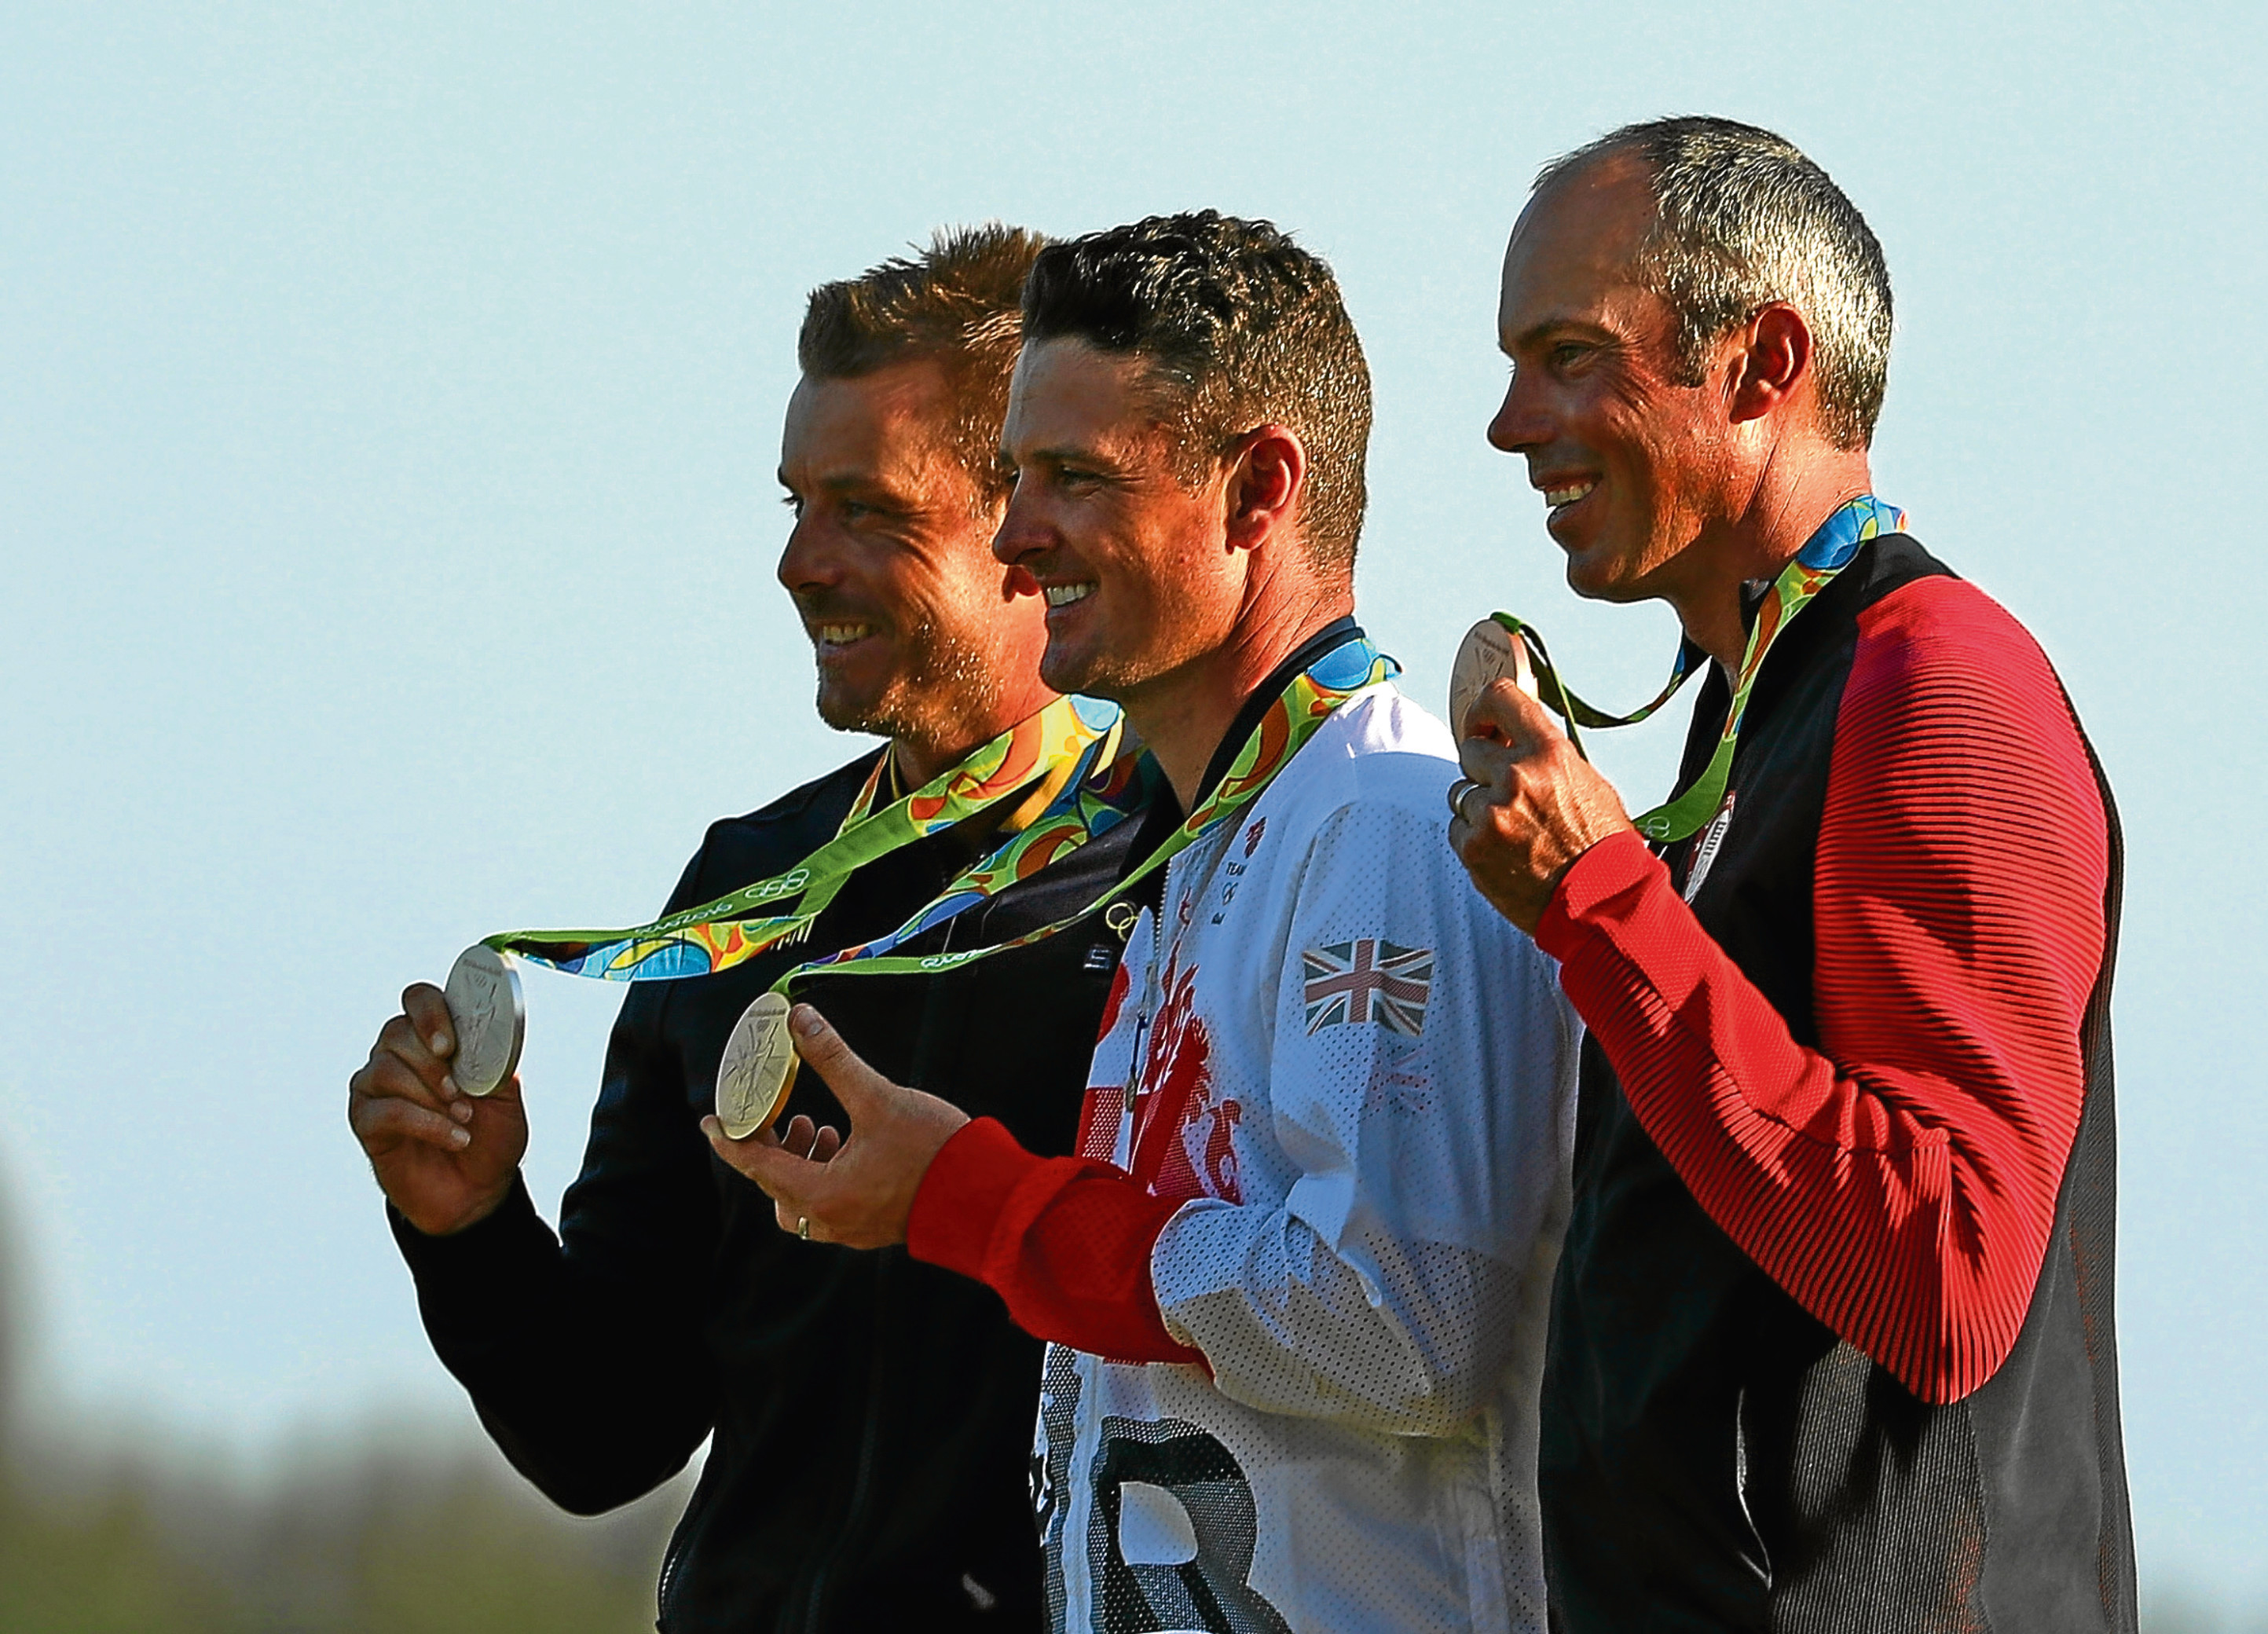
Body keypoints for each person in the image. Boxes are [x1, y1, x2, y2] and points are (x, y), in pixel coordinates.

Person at [709, 212, 1580, 1634]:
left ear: (1257, 493)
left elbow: (1405, 1323)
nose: (1015, 532)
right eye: (1011, 476)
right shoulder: (1211, 839)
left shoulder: (1377, 820)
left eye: (1071, 478)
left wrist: (974, 1201)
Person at [346, 225, 1146, 1632]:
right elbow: (604, 1437)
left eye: (865, 510)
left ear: (1024, 528)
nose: (798, 562)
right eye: (794, 503)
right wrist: (468, 1229)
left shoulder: (1183, 873)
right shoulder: (750, 885)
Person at [1450, 116, 2134, 1629]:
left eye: (1569, 355)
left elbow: (1945, 1277)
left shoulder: (1936, 681)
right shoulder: (1754, 689)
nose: (1510, 423)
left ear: (1764, 366)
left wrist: (1597, 899)